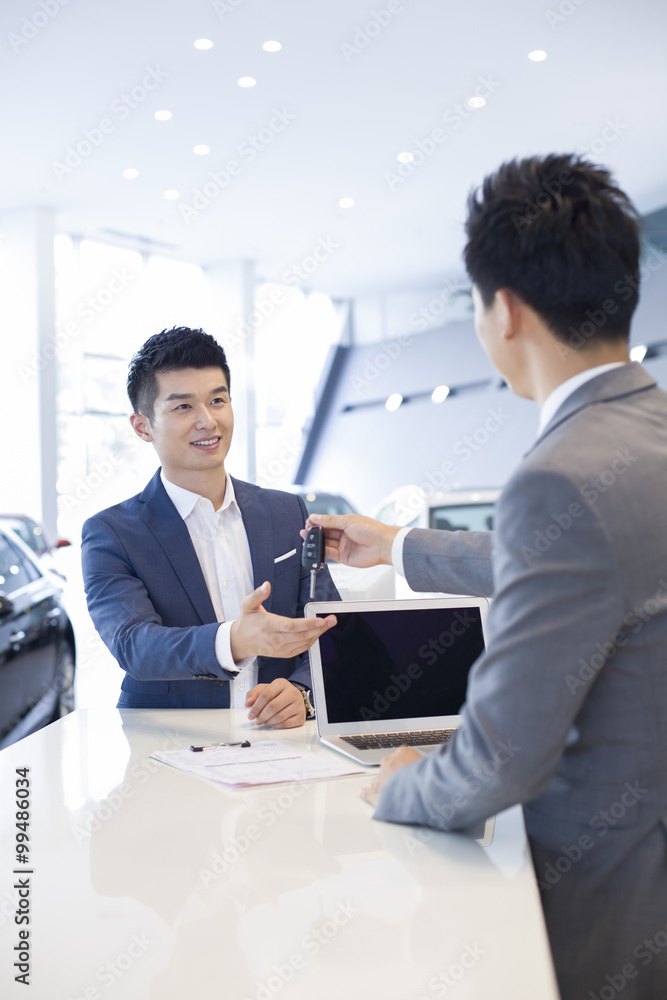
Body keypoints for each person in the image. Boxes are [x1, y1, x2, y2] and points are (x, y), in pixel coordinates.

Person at [305, 154, 667, 999]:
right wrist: (397, 546)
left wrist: (403, 785)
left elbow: (498, 760)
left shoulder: (562, 473)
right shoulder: (643, 435)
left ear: (503, 310)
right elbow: (577, 566)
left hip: (600, 903)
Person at [82, 327, 338, 728]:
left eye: (217, 400)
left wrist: (303, 692)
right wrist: (235, 639)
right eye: (183, 407)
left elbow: (330, 623)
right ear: (142, 426)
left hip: (282, 744)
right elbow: (134, 646)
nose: (208, 421)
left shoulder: (287, 511)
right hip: (167, 744)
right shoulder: (111, 533)